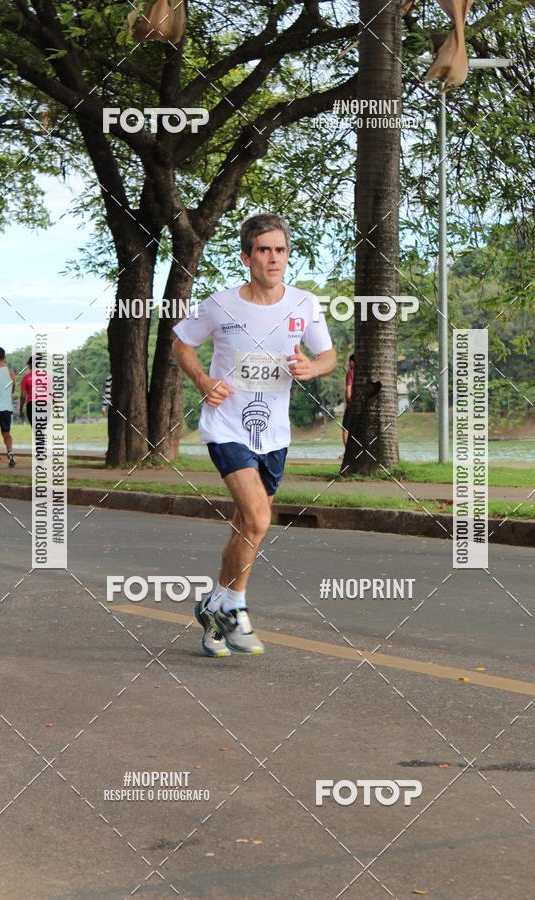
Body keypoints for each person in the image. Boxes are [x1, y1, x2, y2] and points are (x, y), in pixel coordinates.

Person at [173, 213, 336, 657]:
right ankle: (236, 608)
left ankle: (214, 611)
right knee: (260, 519)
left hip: (275, 435)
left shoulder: (304, 304)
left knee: (247, 526)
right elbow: (182, 343)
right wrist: (203, 381)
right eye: (264, 250)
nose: (274, 258)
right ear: (246, 257)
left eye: (280, 250)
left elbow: (328, 356)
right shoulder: (219, 305)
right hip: (227, 426)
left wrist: (312, 367)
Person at [342, 354, 354, 447]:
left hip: (352, 405)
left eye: (349, 362)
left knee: (345, 429)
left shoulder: (350, 373)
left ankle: (347, 451)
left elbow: (348, 389)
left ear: (352, 362)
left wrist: (349, 400)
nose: (349, 364)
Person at [19, 356, 33, 425]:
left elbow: (23, 396)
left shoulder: (26, 378)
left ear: (30, 365)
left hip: (31, 405)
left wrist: (20, 410)